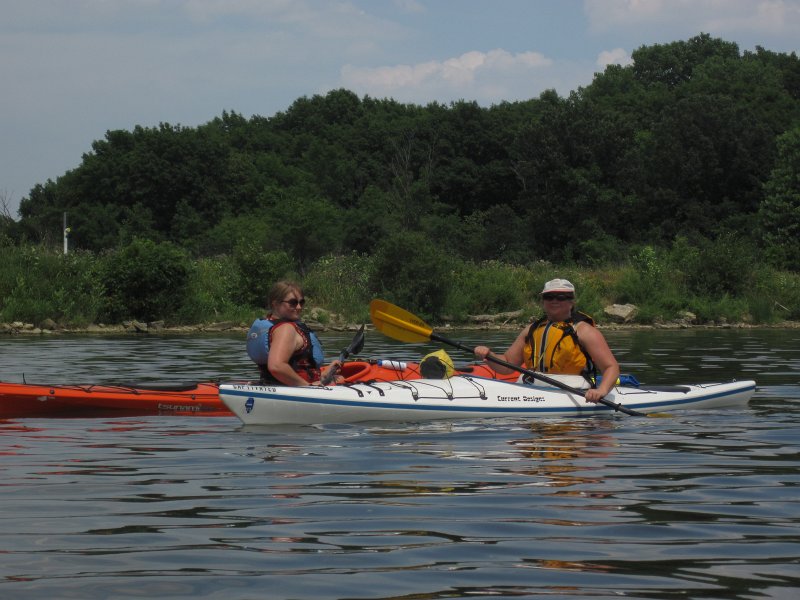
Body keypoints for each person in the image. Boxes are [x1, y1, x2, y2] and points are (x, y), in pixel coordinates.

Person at [473, 278, 620, 403]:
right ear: (543, 301)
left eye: (561, 297)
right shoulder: (532, 329)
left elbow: (610, 367)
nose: (554, 301)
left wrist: (601, 391)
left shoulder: (584, 331)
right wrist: (489, 356)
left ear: (571, 302)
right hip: (529, 388)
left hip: (572, 391)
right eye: (549, 297)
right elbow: (507, 365)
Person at [246, 281, 339, 386]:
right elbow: (277, 366)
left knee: (339, 378)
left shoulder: (272, 326)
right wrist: (307, 387)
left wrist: (325, 373)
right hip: (295, 389)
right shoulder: (286, 329)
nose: (299, 307)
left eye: (301, 302)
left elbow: (296, 366)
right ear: (275, 304)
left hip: (273, 384)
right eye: (293, 303)